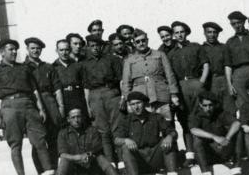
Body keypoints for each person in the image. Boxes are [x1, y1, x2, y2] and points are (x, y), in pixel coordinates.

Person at [0, 39, 54, 175]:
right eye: (10, 49)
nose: (14, 52)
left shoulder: (24, 68)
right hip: (9, 107)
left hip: (28, 105)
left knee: (40, 141)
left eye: (16, 49)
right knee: (15, 144)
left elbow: (35, 90)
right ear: (2, 52)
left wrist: (41, 108)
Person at [50, 108, 133, 175]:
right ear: (68, 119)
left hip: (92, 168)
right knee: (64, 161)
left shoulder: (92, 130)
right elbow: (62, 154)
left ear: (83, 118)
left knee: (100, 157)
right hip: (75, 172)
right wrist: (77, 157)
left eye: (78, 117)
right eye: (73, 117)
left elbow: (97, 148)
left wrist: (88, 155)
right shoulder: (63, 133)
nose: (76, 120)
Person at [114, 91, 185, 175]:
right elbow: (116, 139)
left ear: (145, 103)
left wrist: (169, 136)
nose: (136, 107)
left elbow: (173, 132)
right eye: (132, 104)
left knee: (168, 142)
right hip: (138, 161)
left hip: (155, 157)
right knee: (125, 147)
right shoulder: (126, 120)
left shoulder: (156, 117)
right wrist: (126, 140)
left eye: (138, 103)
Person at [169, 20, 210, 167]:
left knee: (201, 117)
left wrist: (201, 83)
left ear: (186, 32)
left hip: (196, 83)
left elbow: (205, 64)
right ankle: (190, 155)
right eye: (176, 33)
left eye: (182, 32)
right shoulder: (171, 53)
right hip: (181, 86)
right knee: (185, 120)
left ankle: (206, 152)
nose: (179, 35)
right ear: (173, 35)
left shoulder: (196, 47)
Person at [189, 91, 249, 175]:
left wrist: (227, 138)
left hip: (223, 148)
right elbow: (194, 130)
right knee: (197, 140)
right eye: (205, 105)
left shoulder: (220, 112)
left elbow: (236, 123)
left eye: (210, 105)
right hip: (208, 153)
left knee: (238, 133)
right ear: (200, 105)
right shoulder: (195, 116)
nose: (208, 108)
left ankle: (236, 173)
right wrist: (214, 137)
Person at [82, 34, 124, 165]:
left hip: (111, 93)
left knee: (117, 128)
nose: (95, 48)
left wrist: (123, 97)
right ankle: (111, 162)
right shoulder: (84, 64)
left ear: (102, 46)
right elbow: (86, 87)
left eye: (97, 45)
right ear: (88, 47)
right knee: (103, 131)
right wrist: (88, 106)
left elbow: (121, 80)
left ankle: (122, 162)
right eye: (92, 46)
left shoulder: (112, 59)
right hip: (95, 96)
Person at [121, 29, 180, 121]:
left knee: (167, 124)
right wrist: (128, 101)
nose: (141, 43)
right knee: (148, 127)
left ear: (147, 41)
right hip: (142, 99)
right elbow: (126, 83)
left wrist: (173, 94)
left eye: (143, 40)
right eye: (138, 41)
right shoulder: (129, 60)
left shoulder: (160, 55)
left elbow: (170, 75)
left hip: (161, 96)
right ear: (134, 44)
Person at [25, 37, 65, 170]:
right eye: (33, 48)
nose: (36, 51)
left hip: (49, 101)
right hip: (33, 103)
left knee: (53, 138)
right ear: (27, 49)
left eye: (38, 48)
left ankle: (54, 169)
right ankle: (42, 173)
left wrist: (60, 107)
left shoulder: (48, 67)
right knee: (37, 141)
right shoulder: (23, 68)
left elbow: (57, 88)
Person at [201, 21, 235, 113]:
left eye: (214, 32)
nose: (212, 35)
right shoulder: (201, 48)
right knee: (214, 108)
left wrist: (229, 84)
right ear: (204, 33)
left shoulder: (224, 47)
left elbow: (227, 65)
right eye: (209, 32)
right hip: (209, 82)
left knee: (229, 108)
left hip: (223, 79)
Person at [52, 39, 87, 115]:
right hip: (63, 100)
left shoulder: (77, 66)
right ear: (56, 50)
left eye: (66, 50)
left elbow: (85, 85)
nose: (64, 53)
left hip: (78, 99)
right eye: (61, 50)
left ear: (70, 50)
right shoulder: (53, 67)